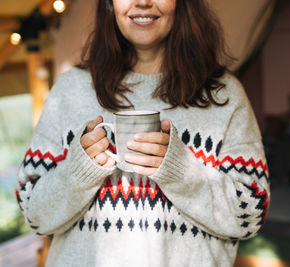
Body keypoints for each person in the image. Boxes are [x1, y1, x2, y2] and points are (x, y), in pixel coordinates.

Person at [16, 0, 270, 266]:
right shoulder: (70, 91)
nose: (143, 2)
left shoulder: (224, 95)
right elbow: (34, 214)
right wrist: (79, 172)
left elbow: (251, 215)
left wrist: (179, 169)